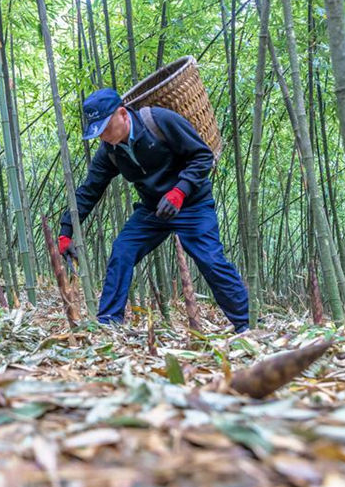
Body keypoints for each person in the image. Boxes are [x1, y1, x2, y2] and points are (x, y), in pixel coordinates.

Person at [59, 88, 249, 333]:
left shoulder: (159, 121)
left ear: (122, 114)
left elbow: (203, 156)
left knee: (210, 259)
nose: (103, 136)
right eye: (98, 132)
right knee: (123, 249)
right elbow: (89, 190)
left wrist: (180, 191)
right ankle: (108, 322)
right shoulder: (110, 151)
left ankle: (247, 323)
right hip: (154, 210)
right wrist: (66, 231)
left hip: (192, 204)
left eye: (106, 128)